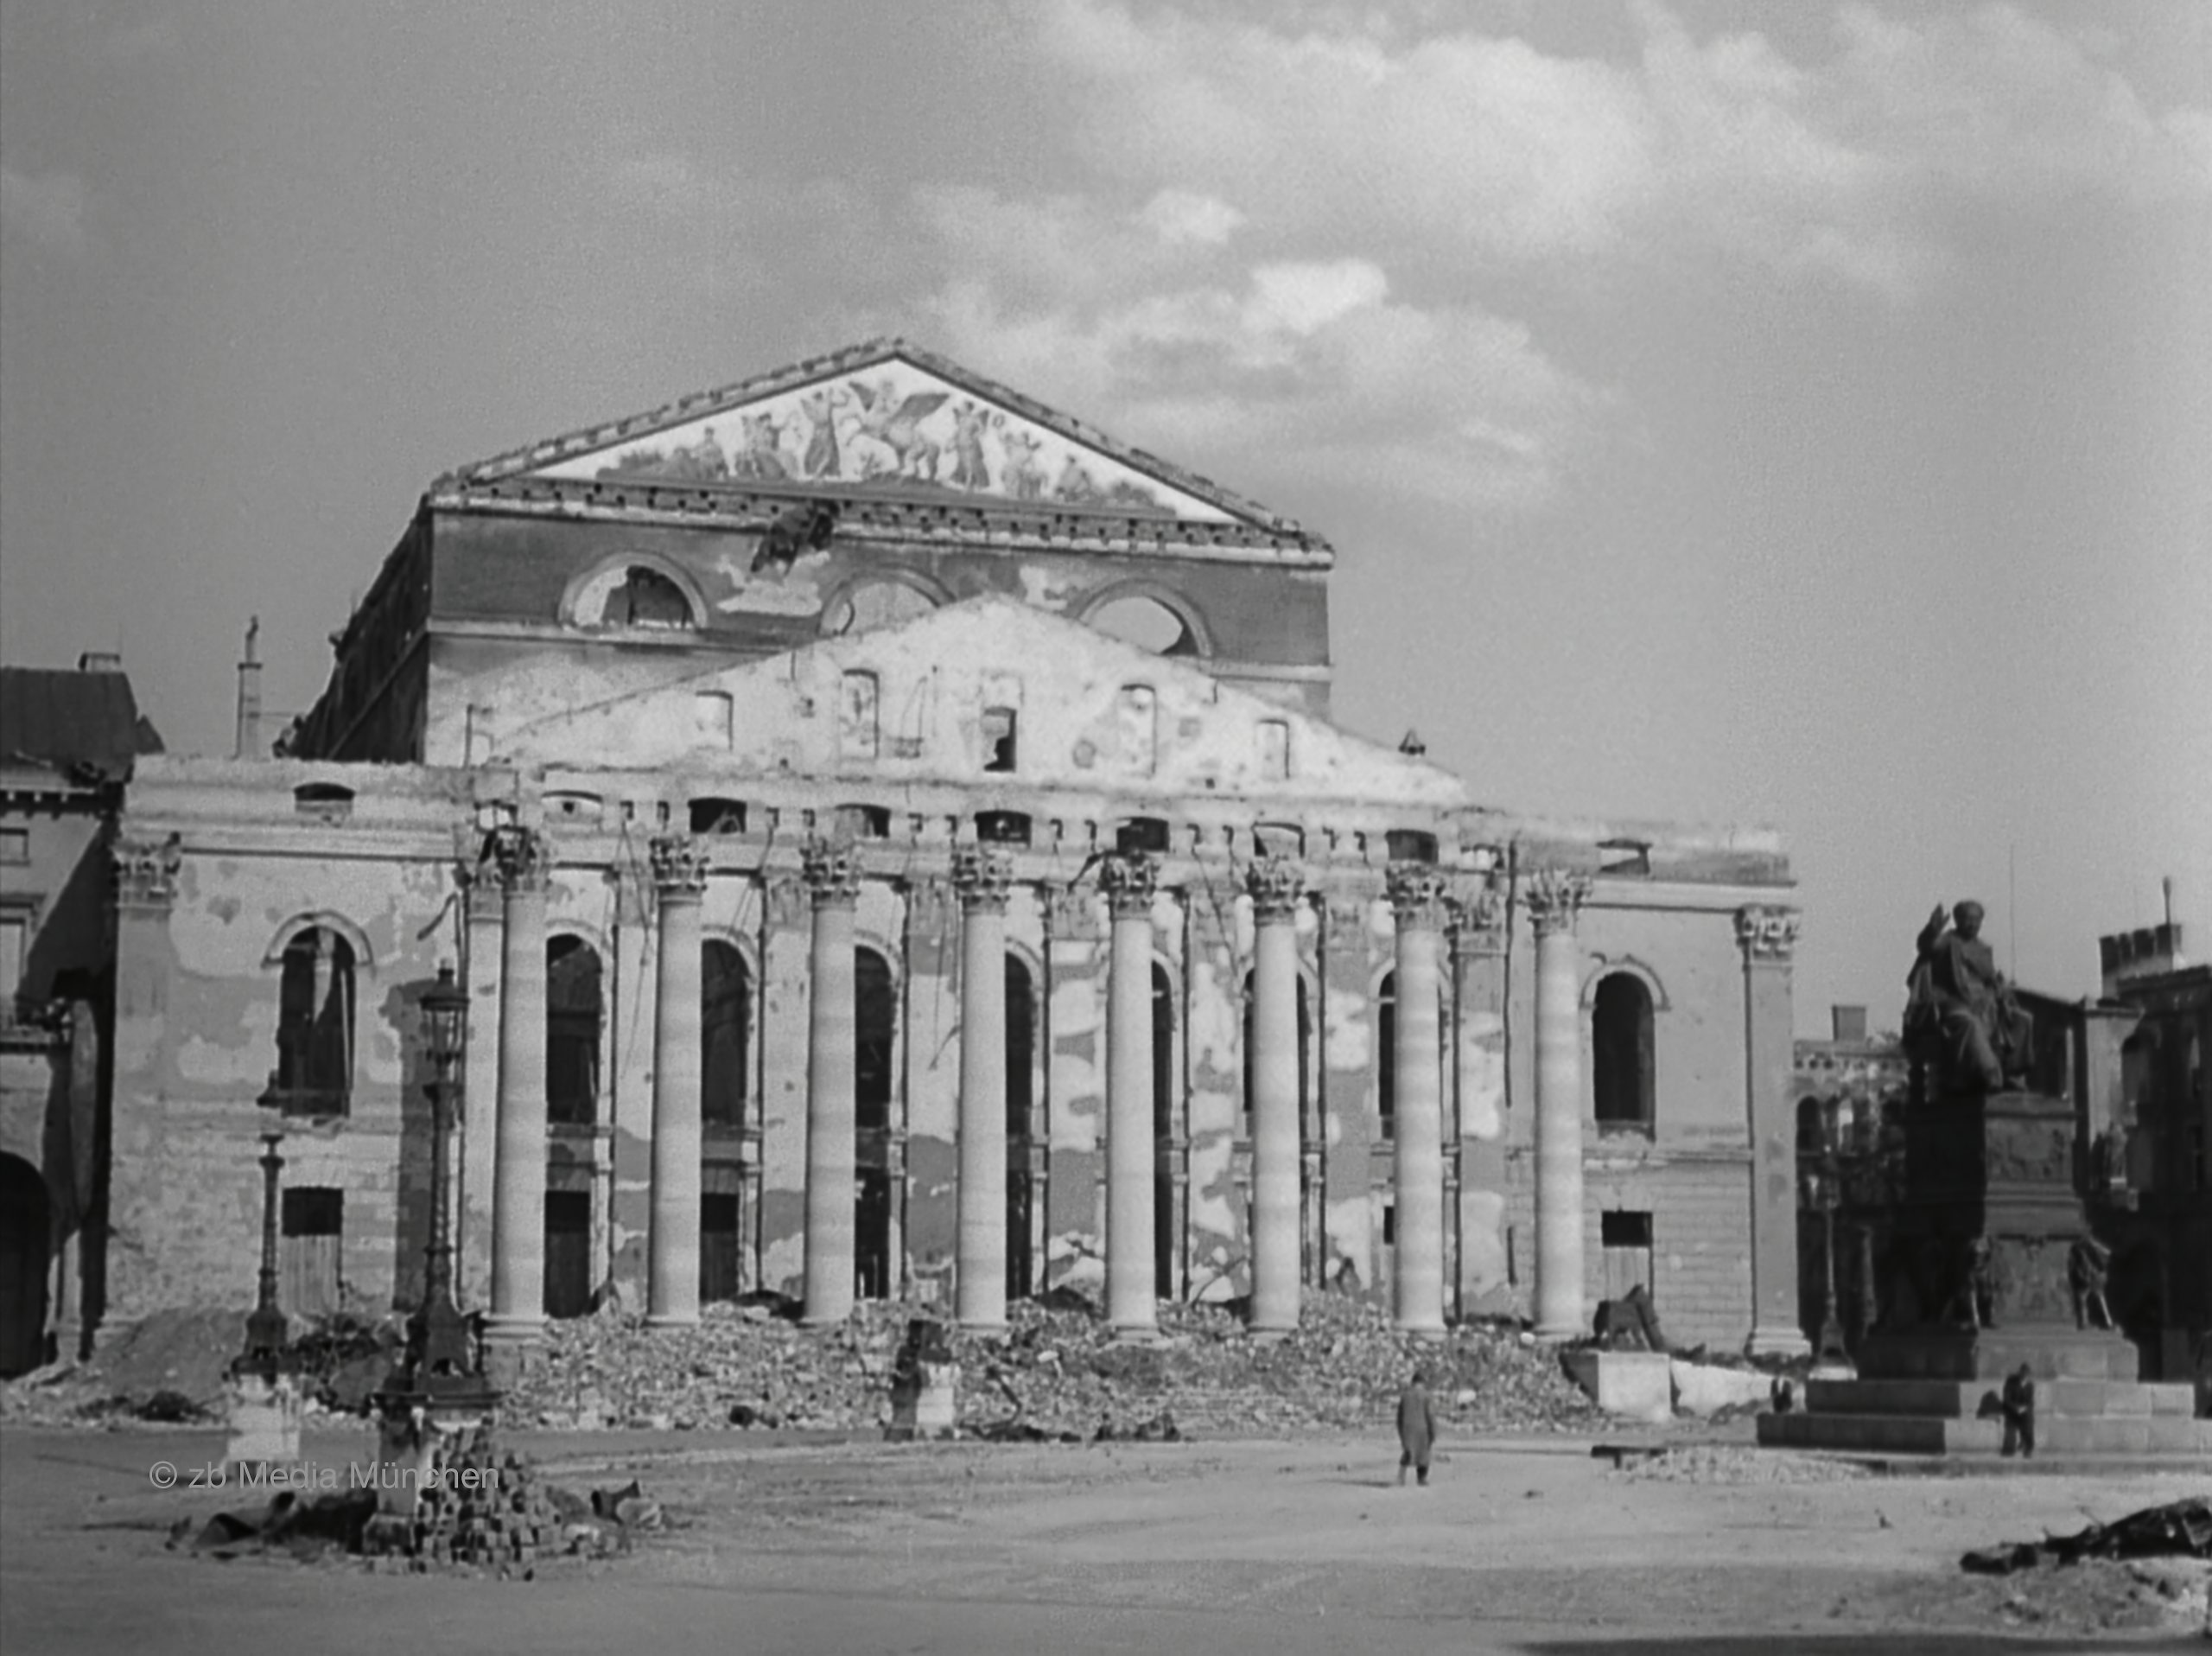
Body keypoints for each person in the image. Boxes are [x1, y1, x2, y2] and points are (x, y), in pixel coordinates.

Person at [1904, 901, 2034, 1093]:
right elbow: (1927, 946)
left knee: (2023, 1019)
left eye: (1976, 920)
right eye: (1967, 919)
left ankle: (2012, 1073)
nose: (1972, 924)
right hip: (1953, 1002)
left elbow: (1990, 979)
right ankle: (1990, 1073)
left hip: (1987, 1003)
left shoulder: (1983, 949)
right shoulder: (1948, 941)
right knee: (1969, 1024)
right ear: (1957, 920)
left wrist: (2000, 989)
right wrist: (1932, 929)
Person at [1396, 1366, 1437, 1487]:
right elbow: (1430, 1415)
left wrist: (1401, 1432)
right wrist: (1433, 1432)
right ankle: (1422, 1478)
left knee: (1408, 1453)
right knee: (1423, 1455)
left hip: (1407, 1429)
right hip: (1422, 1429)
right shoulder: (1426, 1396)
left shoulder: (1405, 1396)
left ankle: (1401, 1478)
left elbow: (1399, 1416)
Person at [1999, 1363, 2036, 1459]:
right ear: (2020, 1373)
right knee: (2011, 1427)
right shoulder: (2011, 1382)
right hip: (2011, 1410)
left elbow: (2030, 1402)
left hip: (2023, 1412)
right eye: (2023, 1374)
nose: (2025, 1377)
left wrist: (2024, 1408)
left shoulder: (2030, 1385)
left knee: (2029, 1421)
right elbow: (2006, 1398)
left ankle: (2028, 1448)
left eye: (2027, 1375)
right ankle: (2009, 1448)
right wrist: (2016, 1408)